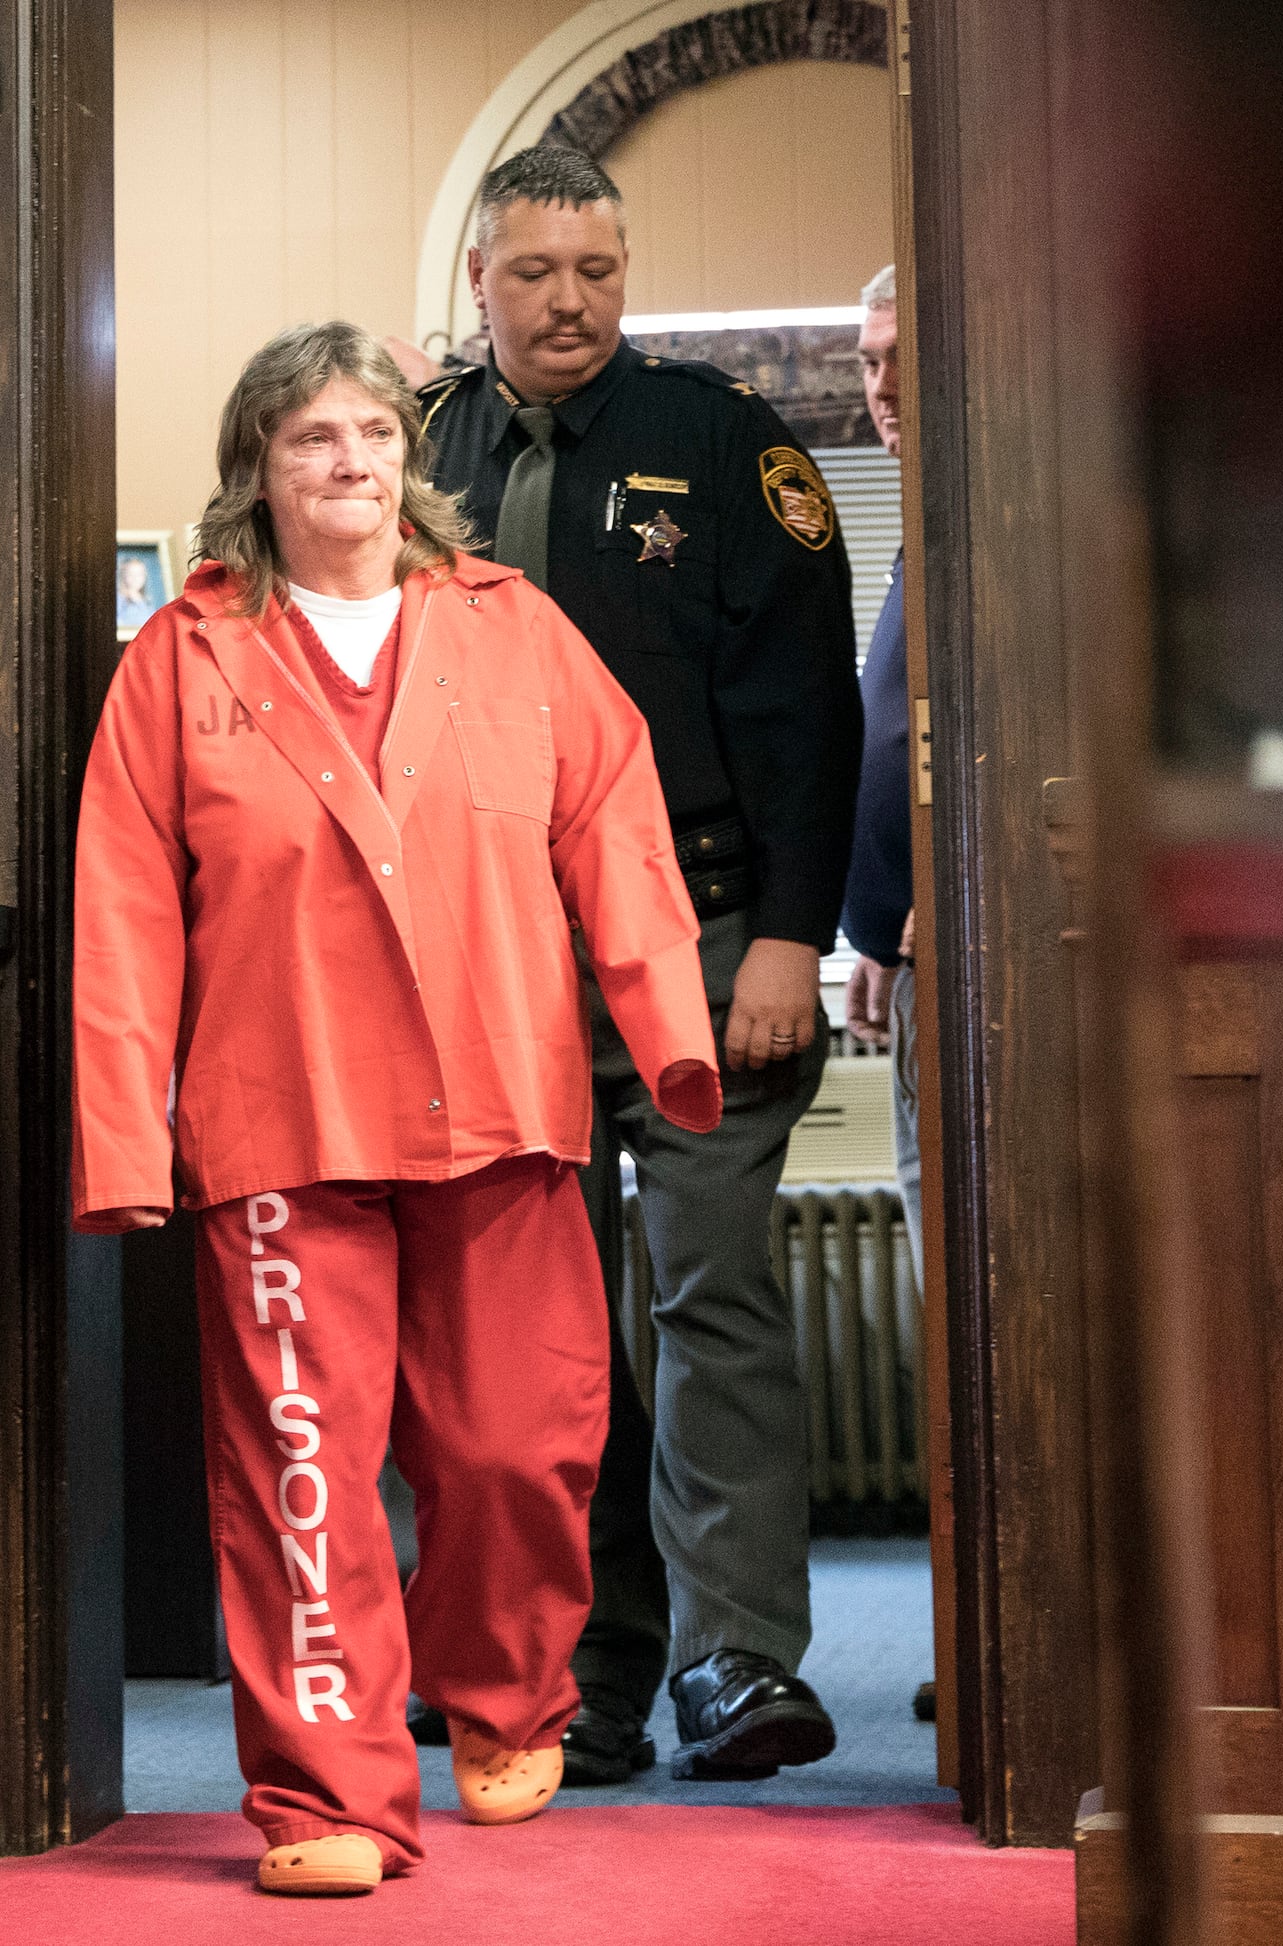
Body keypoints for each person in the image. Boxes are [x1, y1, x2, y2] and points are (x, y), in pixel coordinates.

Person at [71, 321, 720, 1895]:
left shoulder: (516, 632)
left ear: (407, 462)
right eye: (310, 439)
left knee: (517, 1446)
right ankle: (325, 1794)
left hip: (501, 1107)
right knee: (306, 1469)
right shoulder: (183, 660)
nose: (347, 462)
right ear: (259, 471)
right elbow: (123, 911)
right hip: (280, 1120)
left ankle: (506, 1695)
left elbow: (618, 834)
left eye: (370, 433)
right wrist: (119, 1136)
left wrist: (671, 1031)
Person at [417, 143, 863, 1784]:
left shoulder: (724, 446)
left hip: (704, 934)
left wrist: (792, 943)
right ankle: (573, 1667)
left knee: (711, 1291)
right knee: (531, 1328)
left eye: (598, 270)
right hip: (490, 959)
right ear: (481, 278)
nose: (571, 301)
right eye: (537, 271)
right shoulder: (415, 457)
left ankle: (733, 1657)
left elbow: (813, 716)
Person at [841, 266, 920, 1290]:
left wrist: (929, 907)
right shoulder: (917, 529)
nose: (883, 384)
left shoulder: (992, 524)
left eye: (904, 356)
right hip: (906, 952)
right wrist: (876, 928)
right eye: (867, 362)